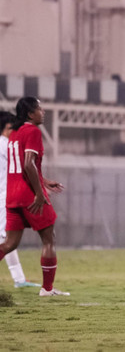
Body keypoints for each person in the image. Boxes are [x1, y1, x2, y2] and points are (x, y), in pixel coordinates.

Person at [0, 97, 68, 296]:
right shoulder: (32, 131)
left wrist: (44, 180)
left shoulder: (14, 133)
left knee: (10, 244)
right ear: (30, 113)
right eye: (39, 108)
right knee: (49, 239)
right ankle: (47, 289)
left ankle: (44, 287)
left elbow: (21, 166)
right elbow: (28, 164)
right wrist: (40, 193)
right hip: (28, 194)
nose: (43, 111)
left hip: (12, 196)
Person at [0, 111, 40, 289]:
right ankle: (19, 279)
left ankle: (19, 279)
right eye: (13, 127)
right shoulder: (5, 145)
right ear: (7, 128)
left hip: (6, 195)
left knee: (8, 239)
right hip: (3, 197)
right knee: (5, 238)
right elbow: (25, 164)